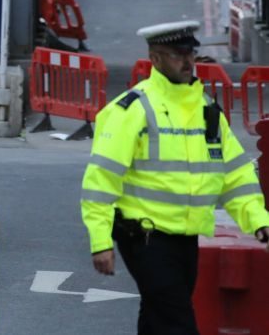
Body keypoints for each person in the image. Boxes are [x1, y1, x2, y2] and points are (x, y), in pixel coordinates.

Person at [81, 21, 269, 334]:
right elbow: (102, 178)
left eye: (190, 53)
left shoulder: (207, 110)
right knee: (177, 322)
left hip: (187, 236)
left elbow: (235, 174)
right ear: (155, 59)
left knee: (158, 316)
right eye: (177, 55)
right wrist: (100, 241)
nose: (187, 61)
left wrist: (258, 220)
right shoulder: (133, 109)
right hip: (144, 237)